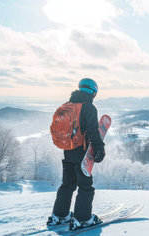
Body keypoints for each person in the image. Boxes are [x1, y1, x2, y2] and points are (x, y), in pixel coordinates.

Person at [47, 78, 106, 230]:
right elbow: (93, 132)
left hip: (68, 151)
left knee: (67, 185)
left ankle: (59, 216)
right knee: (85, 187)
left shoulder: (67, 105)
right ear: (93, 92)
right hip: (82, 153)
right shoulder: (88, 108)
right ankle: (83, 219)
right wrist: (100, 149)